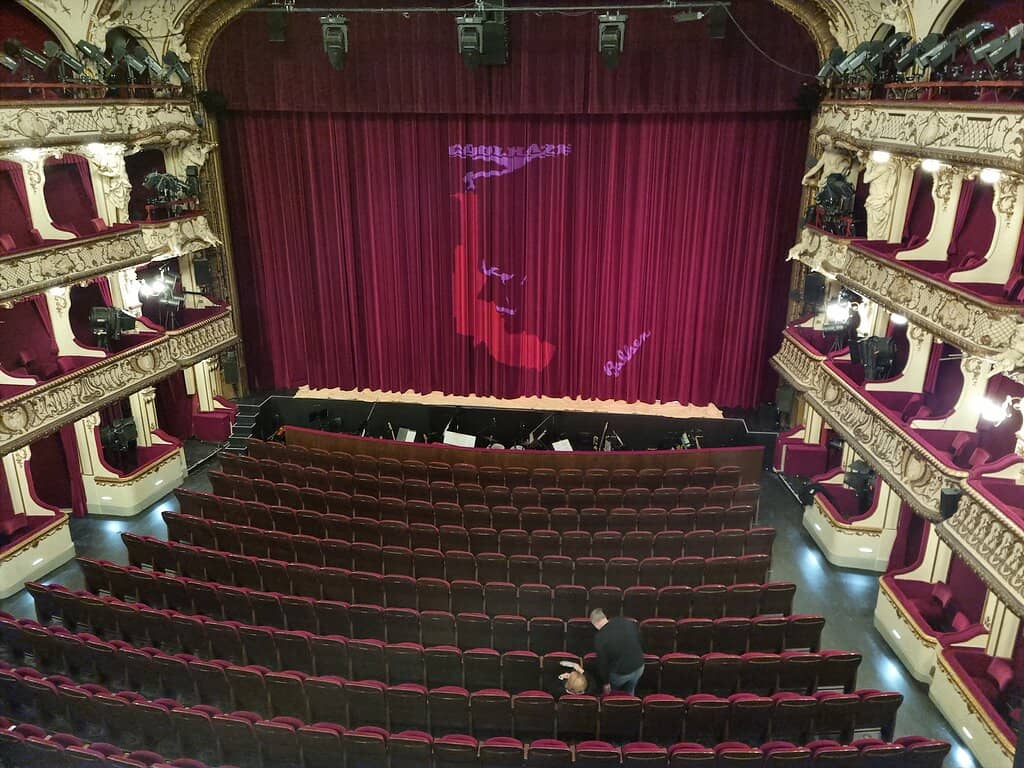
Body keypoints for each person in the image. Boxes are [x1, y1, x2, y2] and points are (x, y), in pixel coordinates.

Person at [590, 608, 645, 695]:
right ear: (605, 617)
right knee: (630, 690)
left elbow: (603, 664)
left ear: (594, 624)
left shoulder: (599, 638)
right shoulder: (623, 620)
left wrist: (606, 683)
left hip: (620, 674)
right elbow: (639, 638)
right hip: (639, 666)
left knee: (614, 694)